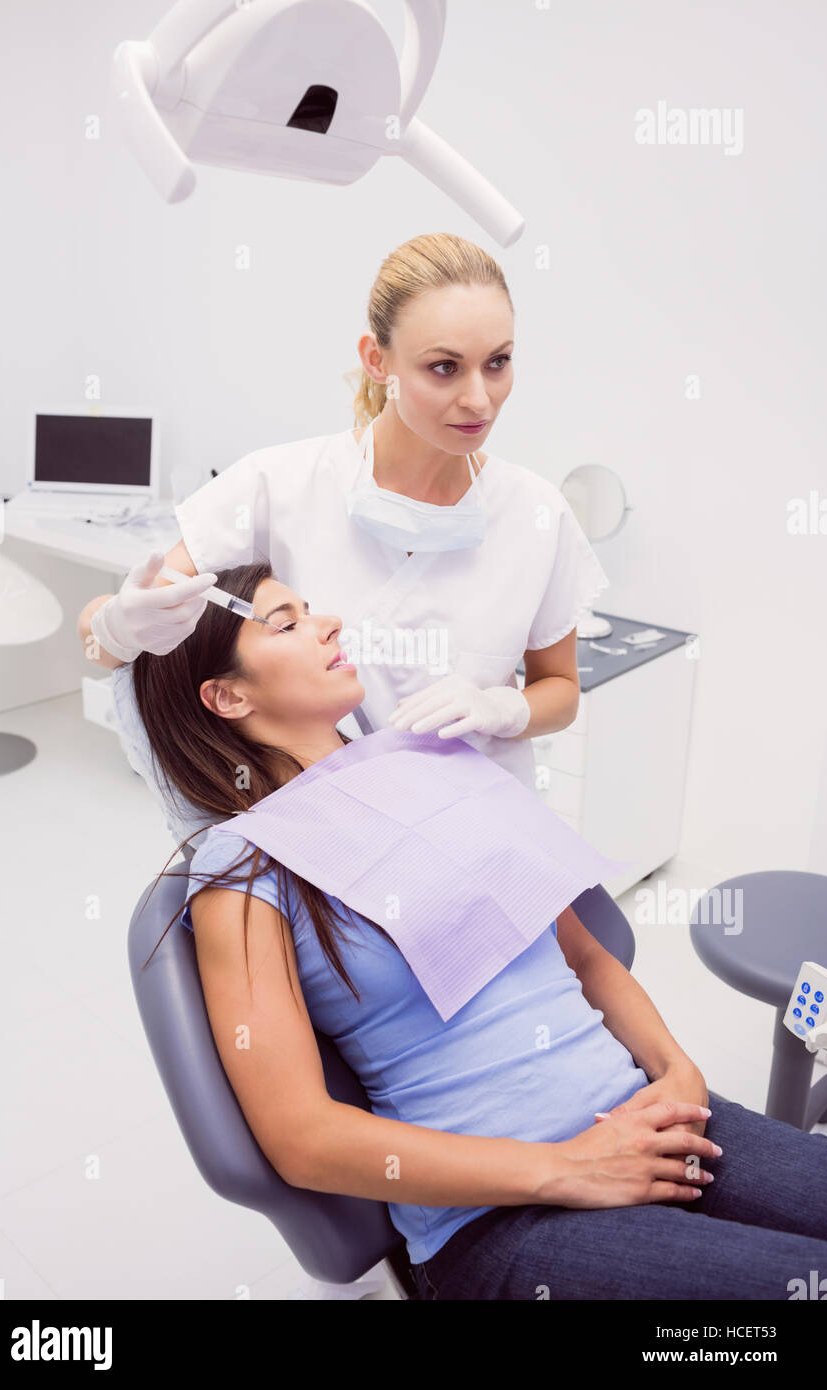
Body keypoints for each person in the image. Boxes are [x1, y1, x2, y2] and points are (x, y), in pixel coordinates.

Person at [130, 560, 827, 1301]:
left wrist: (678, 1074)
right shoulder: (241, 869)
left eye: (312, 608)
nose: (326, 622)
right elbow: (301, 1137)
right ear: (227, 695)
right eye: (286, 622)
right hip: (501, 1221)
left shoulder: (434, 762)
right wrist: (569, 1168)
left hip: (648, 1117)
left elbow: (586, 958)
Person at [76, 231, 608, 847]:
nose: (479, 398)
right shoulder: (277, 485)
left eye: (499, 361)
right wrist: (115, 628)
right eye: (443, 367)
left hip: (481, 837)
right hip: (327, 846)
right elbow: (101, 639)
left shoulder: (537, 513)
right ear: (377, 361)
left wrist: (506, 710)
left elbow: (560, 691)